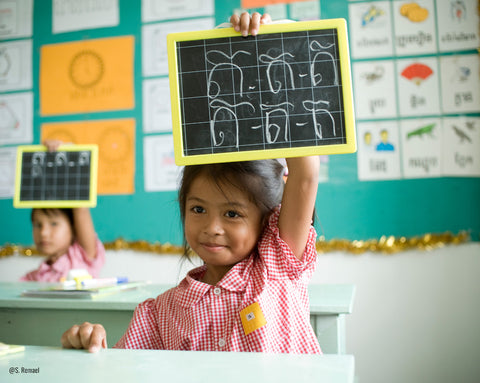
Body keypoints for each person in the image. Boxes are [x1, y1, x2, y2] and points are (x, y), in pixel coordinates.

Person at [60, 13, 321, 354]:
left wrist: (269, 44)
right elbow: (125, 371)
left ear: (269, 218)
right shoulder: (160, 313)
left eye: (232, 214)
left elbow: (305, 176)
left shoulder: (275, 266)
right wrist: (89, 345)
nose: (211, 227)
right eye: (198, 209)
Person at [20, 140, 105, 282]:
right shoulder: (32, 277)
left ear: (74, 228)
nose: (43, 233)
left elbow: (81, 207)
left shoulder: (83, 257)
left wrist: (70, 156)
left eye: (54, 224)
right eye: (38, 225)